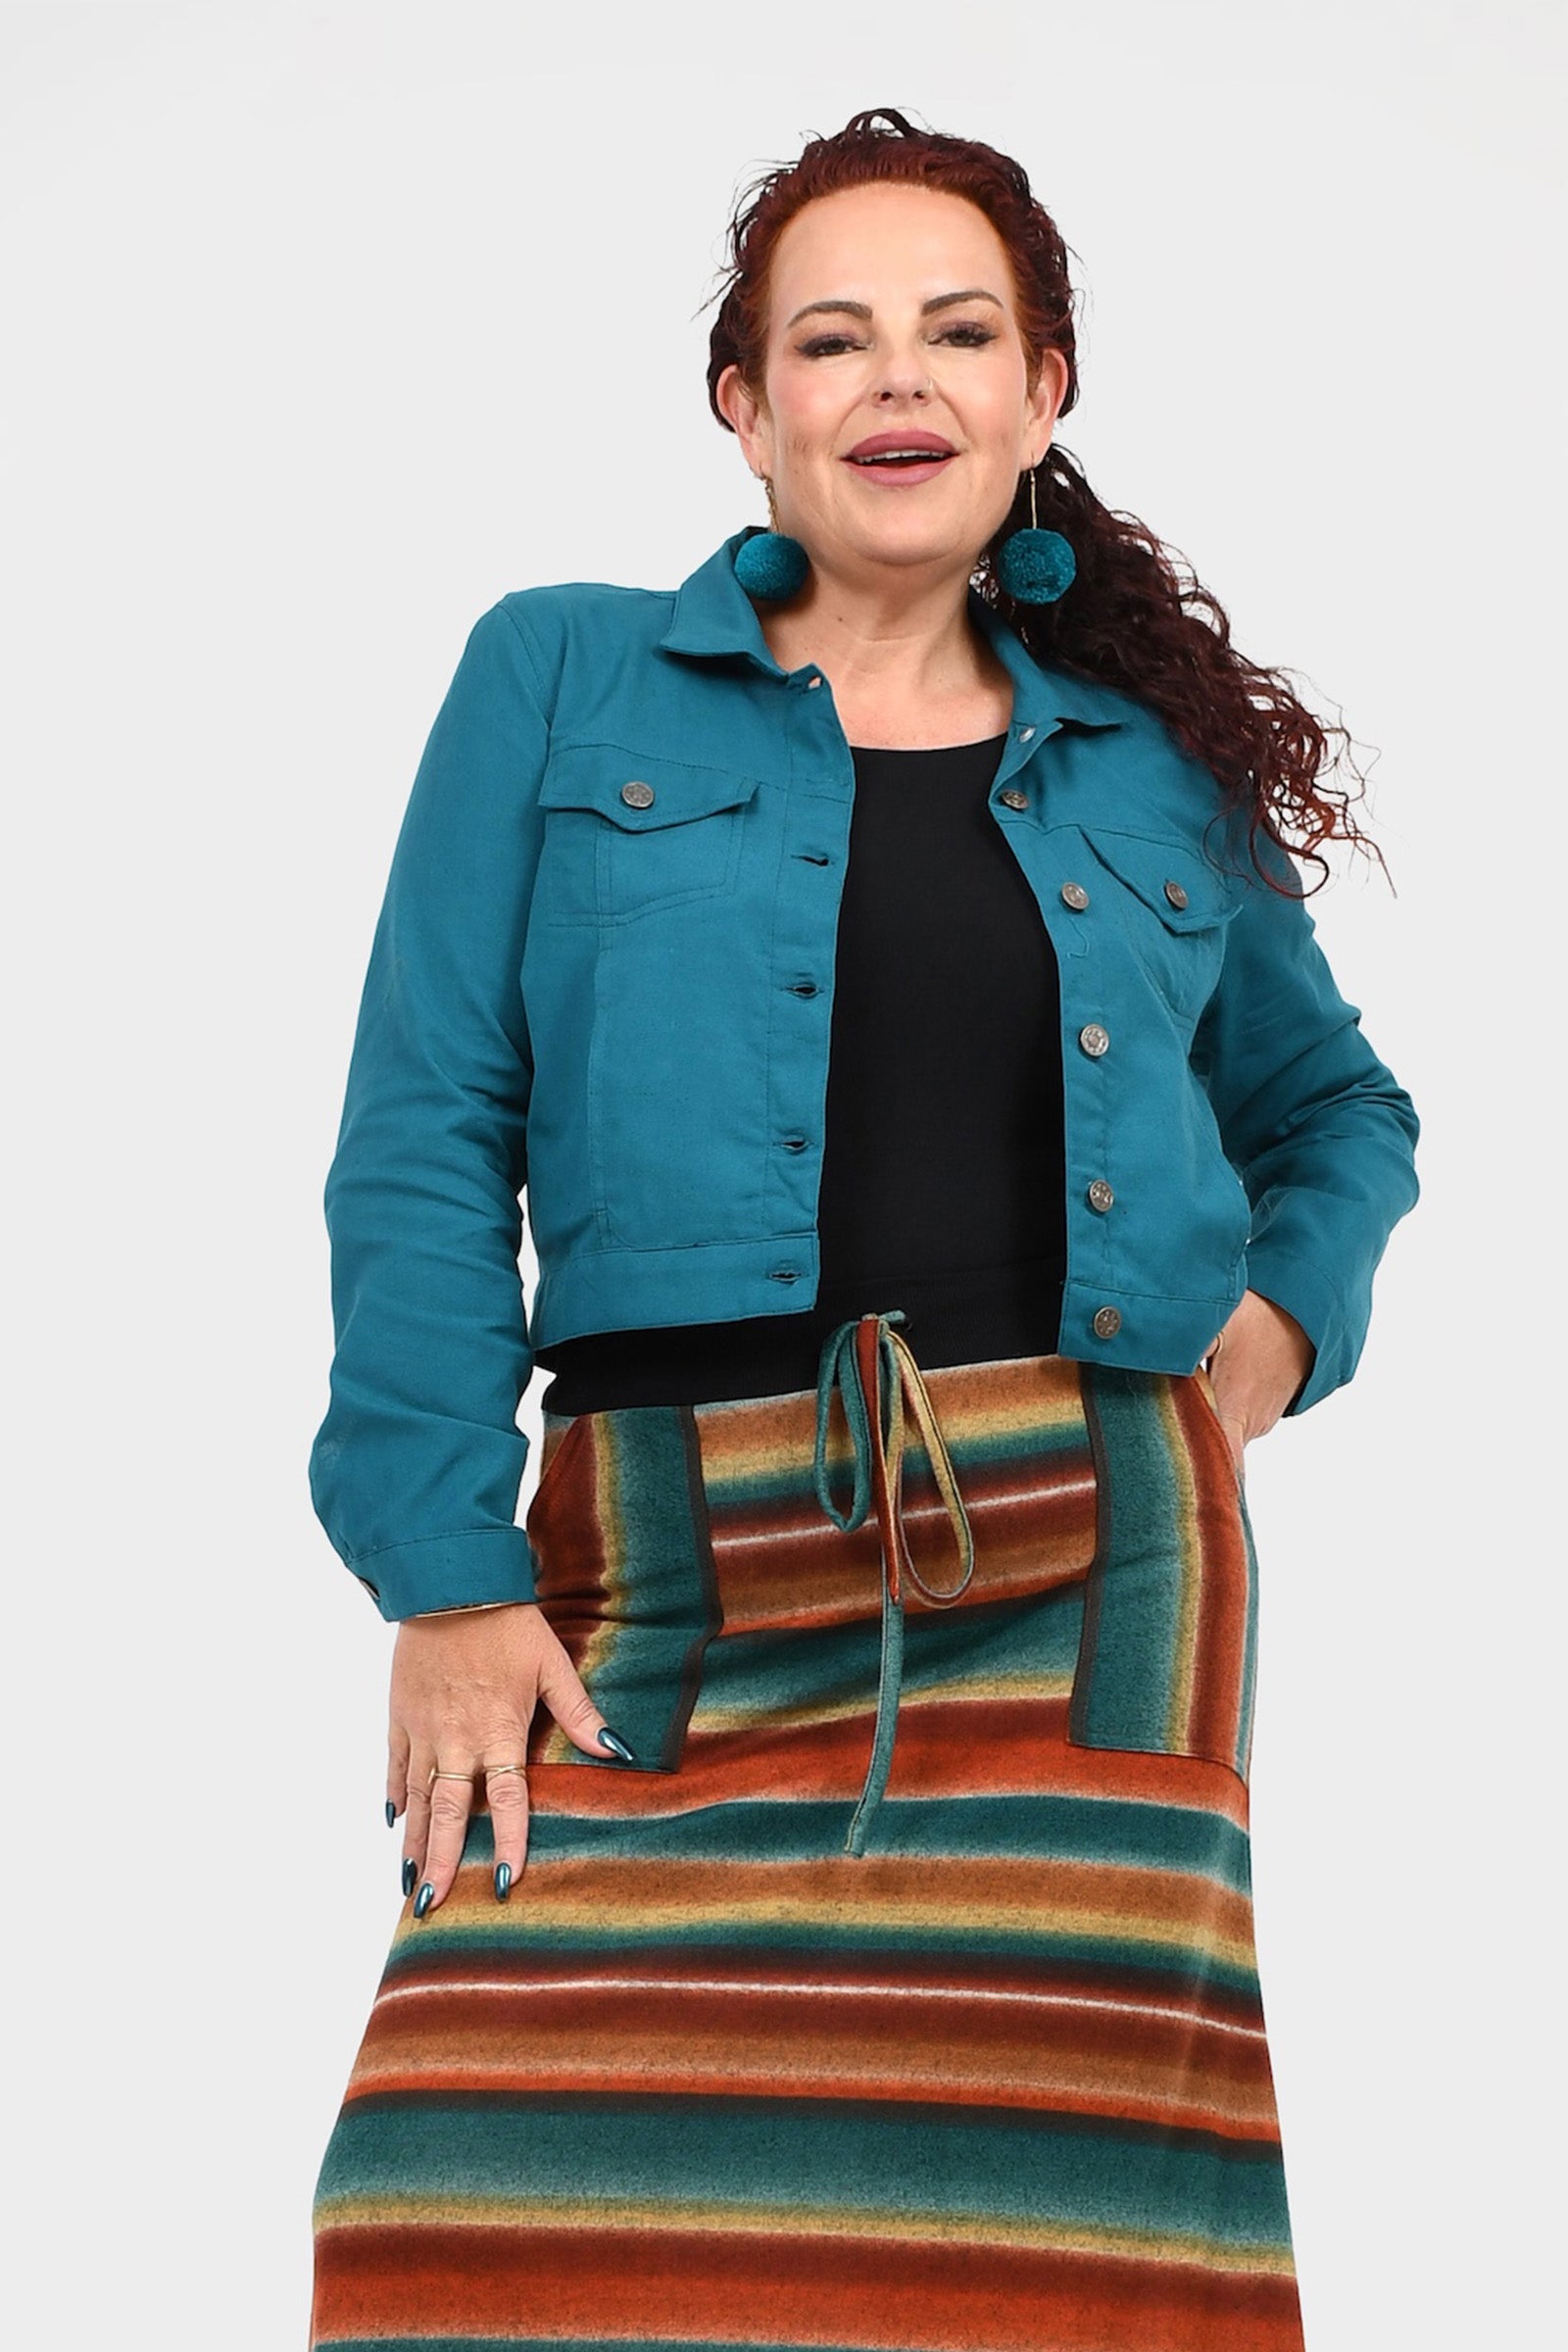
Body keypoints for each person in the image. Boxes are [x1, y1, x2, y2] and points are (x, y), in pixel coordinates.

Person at [305, 106, 1418, 2352]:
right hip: (656, 1563)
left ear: (1040, 390)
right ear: (746, 408)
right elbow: (426, 1126)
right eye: (830, 339)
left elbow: (1334, 1112)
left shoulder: (1148, 767)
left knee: (1049, 2268)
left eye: (955, 331)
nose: (895, 377)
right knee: (451, 2225)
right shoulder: (556, 674)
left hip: (1086, 1574)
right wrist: (442, 1571)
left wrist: (1266, 1345)